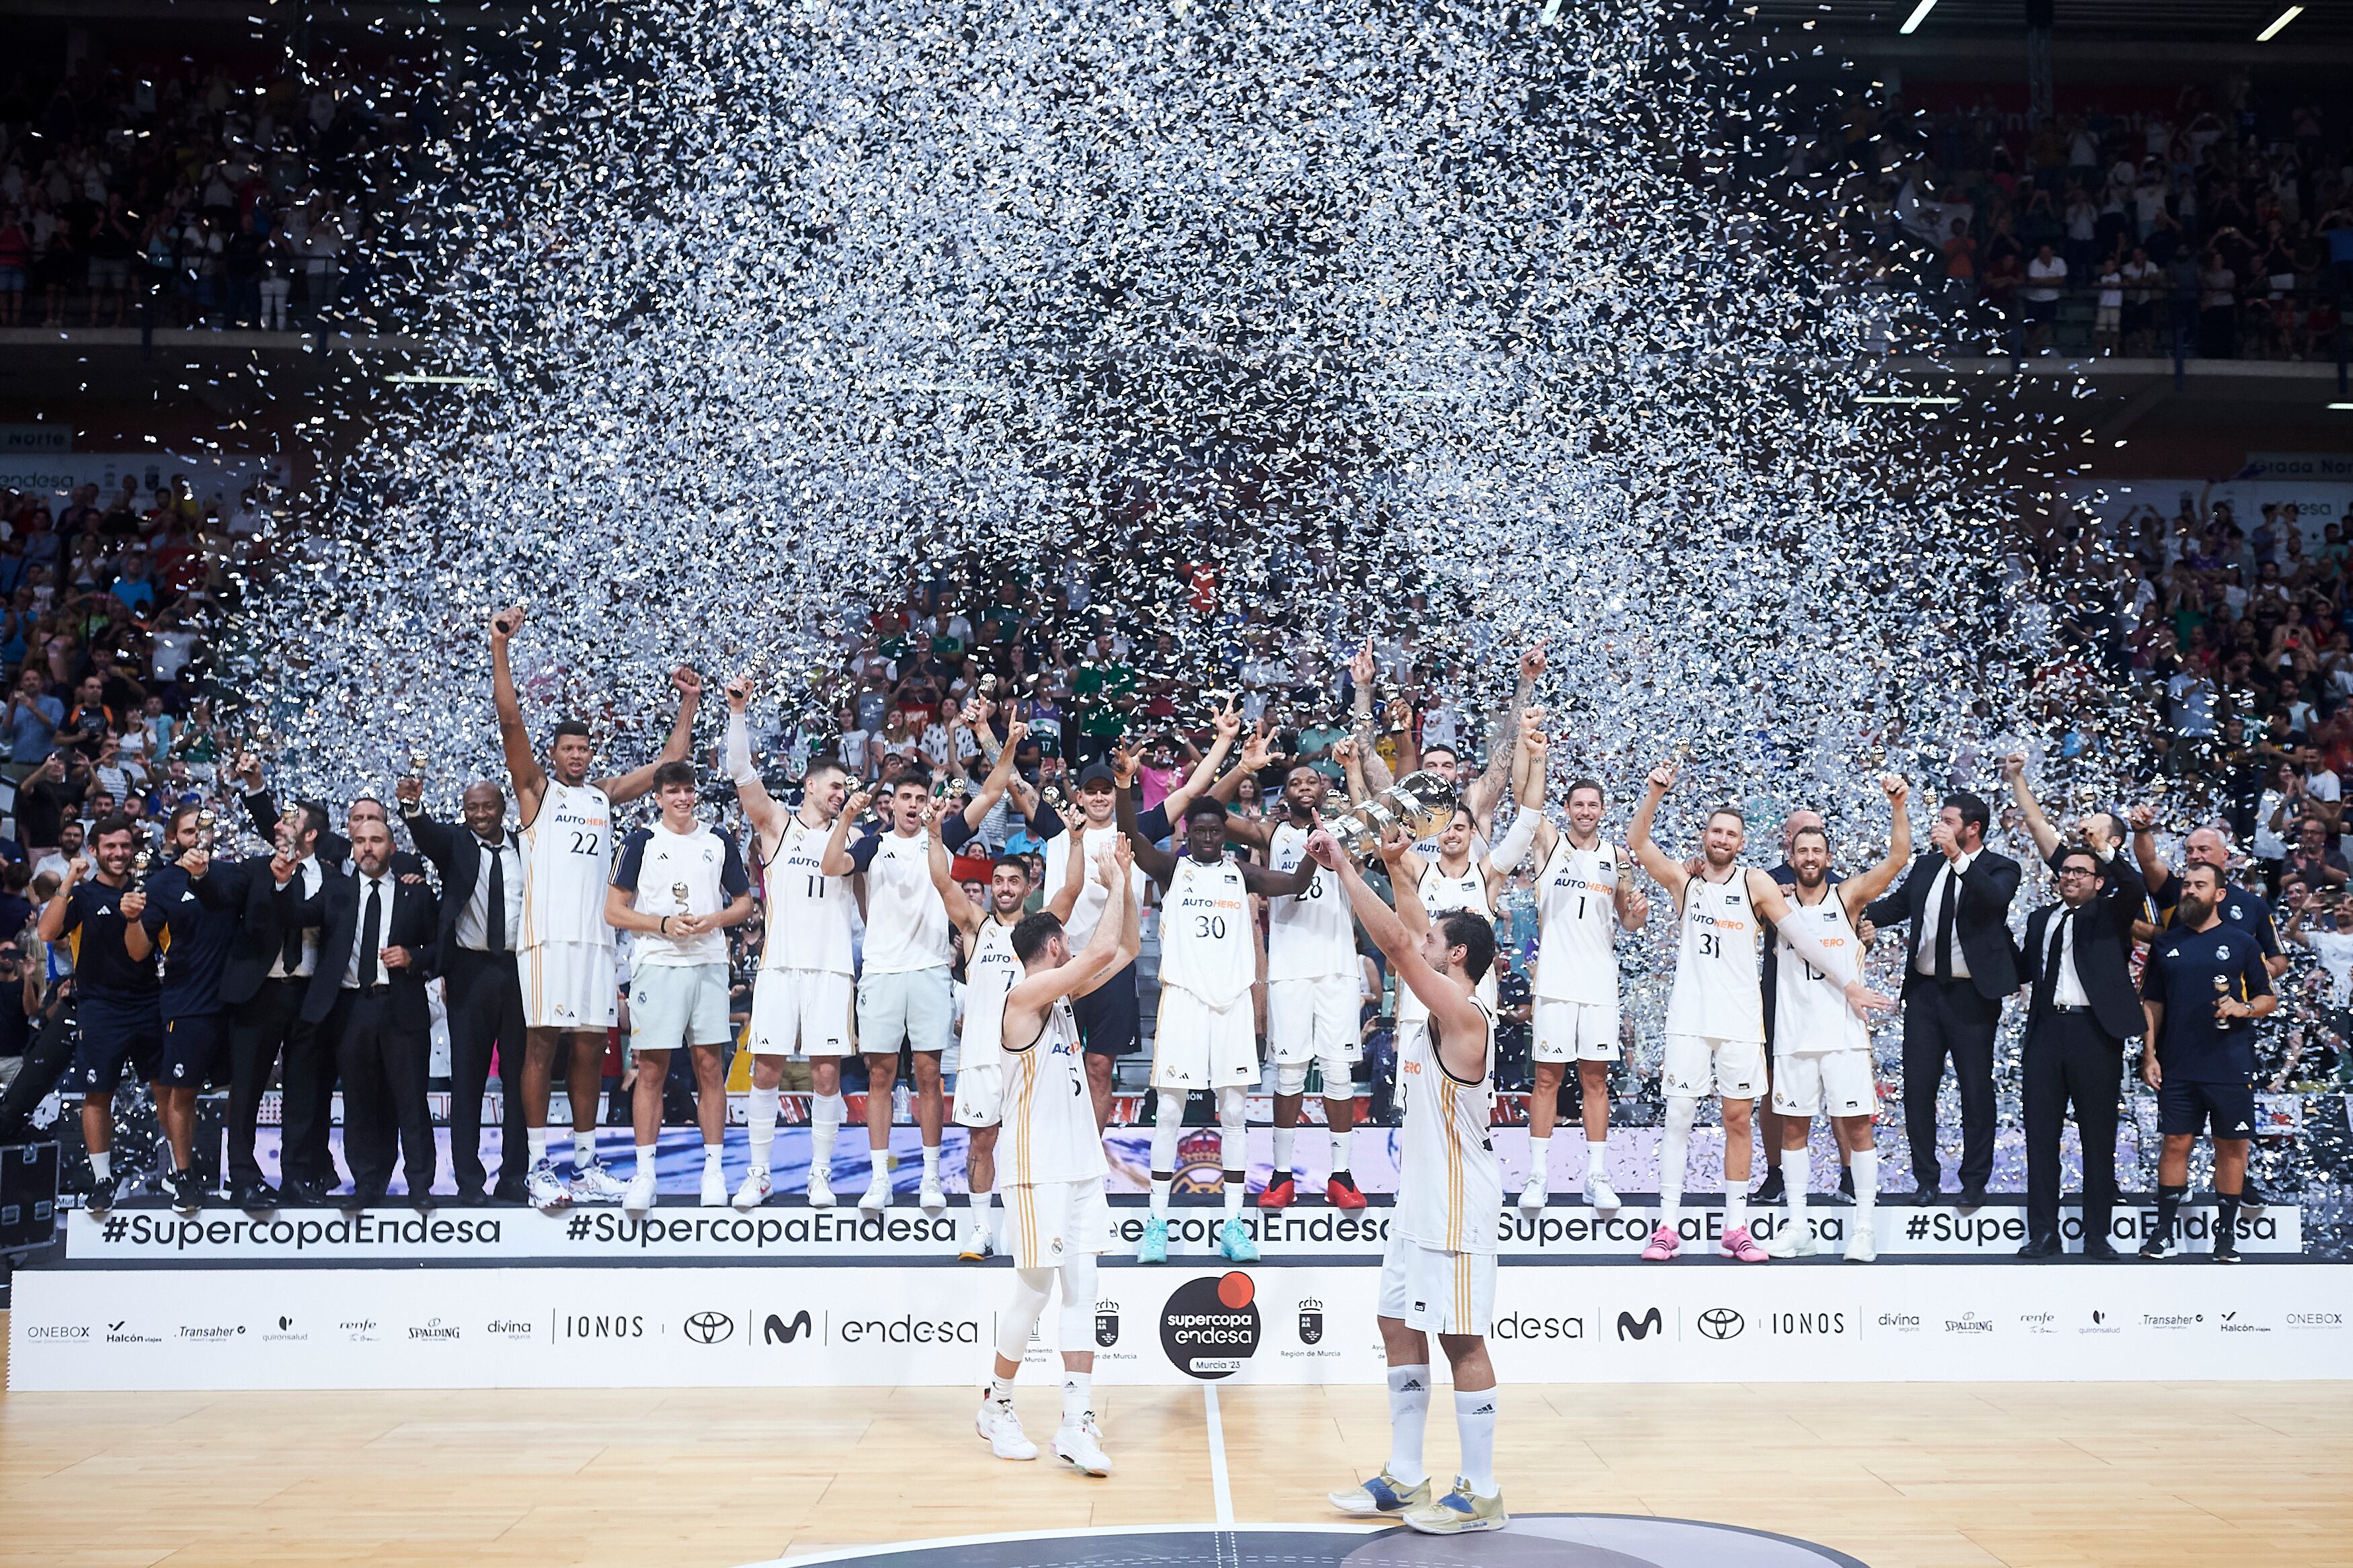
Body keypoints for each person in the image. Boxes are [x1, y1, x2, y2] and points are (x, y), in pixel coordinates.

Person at [1311, 825, 1507, 1536]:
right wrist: (1395, 863)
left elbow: (1398, 942)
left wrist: (1341, 864)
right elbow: (1412, 927)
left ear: (1455, 956)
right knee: (1394, 1321)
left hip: (1457, 1200)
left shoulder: (1461, 1014)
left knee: (1460, 1339)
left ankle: (1481, 1489)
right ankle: (1402, 1474)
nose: (1422, 940)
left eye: (1436, 940)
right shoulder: (1437, 994)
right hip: (1417, 1196)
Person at [1627, 759, 1890, 1262]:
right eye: (1716, 831)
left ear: (1742, 843)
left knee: (1739, 1121)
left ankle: (1736, 1227)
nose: (1722, 839)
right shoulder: (1688, 882)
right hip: (1689, 1019)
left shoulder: (1758, 886)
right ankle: (1666, 1226)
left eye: (1732, 833)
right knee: (1679, 1117)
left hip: (1742, 1024)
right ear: (1705, 836)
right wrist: (1655, 794)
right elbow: (1640, 844)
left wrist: (1851, 983)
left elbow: (1806, 938)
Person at [489, 604, 701, 1210]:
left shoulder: (604, 797)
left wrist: (688, 704)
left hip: (596, 943)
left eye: (584, 748)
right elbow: (510, 722)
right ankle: (537, 1168)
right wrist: (501, 646)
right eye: (568, 748)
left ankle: (583, 1165)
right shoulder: (536, 792)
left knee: (589, 1046)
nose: (577, 756)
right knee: (540, 1047)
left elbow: (667, 767)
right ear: (554, 755)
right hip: (547, 941)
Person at [974, 837, 1139, 1477]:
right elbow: (1101, 948)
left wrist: (1123, 882)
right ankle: (998, 1402)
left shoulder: (1061, 1001)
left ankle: (1076, 1421)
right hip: (1035, 1164)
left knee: (1084, 1288)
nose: (1072, 952)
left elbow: (1121, 950)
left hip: (1079, 1164)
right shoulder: (1022, 999)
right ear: (1051, 949)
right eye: (1064, 945)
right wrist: (1117, 877)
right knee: (1035, 1288)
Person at [1117, 793, 1316, 1264]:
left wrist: (1316, 852)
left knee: (1233, 1113)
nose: (1207, 837)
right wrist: (1125, 785)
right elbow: (1131, 833)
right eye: (1200, 830)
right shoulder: (1172, 869)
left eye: (1215, 830)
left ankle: (1233, 1224)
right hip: (1184, 998)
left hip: (1232, 1004)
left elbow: (1292, 884)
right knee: (1169, 1112)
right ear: (1188, 833)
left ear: (1224, 834)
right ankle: (1157, 1224)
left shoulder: (1240, 873)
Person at [1494, 716, 1648, 1213]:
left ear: (1603, 810)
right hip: (1556, 980)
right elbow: (1523, 796)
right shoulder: (1549, 842)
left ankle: (1596, 1176)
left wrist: (1637, 914)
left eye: (1593, 804)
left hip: (1600, 982)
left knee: (1595, 1079)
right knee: (1546, 1078)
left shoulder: (1617, 854)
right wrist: (1531, 749)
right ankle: (1536, 1175)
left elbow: (1627, 920)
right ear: (1567, 808)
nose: (1585, 810)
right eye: (1578, 803)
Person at [723, 677, 865, 1209]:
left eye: (844, 788)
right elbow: (741, 772)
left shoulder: (853, 835)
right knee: (767, 1069)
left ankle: (820, 1175)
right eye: (833, 787)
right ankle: (759, 1173)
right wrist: (739, 713)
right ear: (811, 785)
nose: (840, 794)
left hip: (831, 969)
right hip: (780, 965)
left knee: (827, 1074)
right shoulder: (777, 824)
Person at [1759, 777, 1911, 1262]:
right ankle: (1798, 1226)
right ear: (1791, 853)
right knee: (1794, 1131)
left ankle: (1864, 1227)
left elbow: (1897, 860)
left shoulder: (1846, 899)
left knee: (1857, 1128)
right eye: (1801, 849)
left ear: (1827, 857)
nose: (1808, 857)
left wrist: (1898, 805)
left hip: (1844, 1034)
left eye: (1816, 850)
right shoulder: (1772, 903)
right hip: (1793, 1036)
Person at [604, 759, 756, 1215]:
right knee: (650, 1069)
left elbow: (745, 903)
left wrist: (714, 919)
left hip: (708, 962)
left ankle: (714, 1170)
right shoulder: (639, 842)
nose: (684, 799)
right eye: (674, 792)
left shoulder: (717, 840)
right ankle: (645, 1174)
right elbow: (614, 911)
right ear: (657, 797)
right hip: (656, 964)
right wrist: (663, 923)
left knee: (710, 1067)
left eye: (689, 791)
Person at [1860, 790, 2022, 1208]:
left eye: (1948, 821)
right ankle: (1926, 1179)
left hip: (1973, 995)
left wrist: (1958, 858)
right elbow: (1898, 906)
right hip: (1926, 993)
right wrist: (1850, 911)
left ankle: (1974, 1181)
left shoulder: (2001, 866)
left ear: (1973, 828)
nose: (1939, 827)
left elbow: (1995, 899)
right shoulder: (1928, 865)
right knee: (1918, 1089)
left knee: (1975, 1089)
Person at [939, 840, 1085, 1259]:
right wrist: (934, 834)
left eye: (1013, 881)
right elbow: (940, 880)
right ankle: (982, 1229)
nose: (1004, 888)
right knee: (981, 1142)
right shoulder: (976, 927)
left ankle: (1027, 1225)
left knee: (1034, 1143)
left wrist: (1075, 840)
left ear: (1027, 886)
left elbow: (1072, 888)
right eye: (998, 881)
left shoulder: (1040, 930)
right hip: (982, 1055)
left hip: (1031, 1058)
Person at [189, 798, 335, 1208]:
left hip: (309, 996)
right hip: (258, 992)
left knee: (303, 1093)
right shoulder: (254, 870)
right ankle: (243, 1178)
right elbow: (218, 896)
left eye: (290, 823)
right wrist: (200, 878)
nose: (278, 828)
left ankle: (297, 1178)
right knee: (247, 1088)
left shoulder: (331, 879)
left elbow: (319, 920)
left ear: (310, 835)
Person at [400, 774, 530, 1203]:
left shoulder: (526, 846)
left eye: (487, 807)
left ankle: (514, 1177)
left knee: (518, 1080)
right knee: (469, 1079)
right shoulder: (454, 844)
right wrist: (413, 809)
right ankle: (469, 1182)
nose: (479, 815)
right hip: (469, 971)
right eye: (471, 808)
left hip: (520, 969)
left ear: (502, 807)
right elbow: (426, 834)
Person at [2016, 841, 2149, 1260]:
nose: (2070, 877)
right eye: (2066, 871)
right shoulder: (2039, 920)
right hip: (2045, 1032)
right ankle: (2043, 1233)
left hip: (2095, 1032)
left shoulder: (2110, 913)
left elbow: (2135, 886)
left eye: (2080, 872)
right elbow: (2024, 969)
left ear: (2098, 880)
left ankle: (2096, 1235)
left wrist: (2107, 851)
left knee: (2097, 1137)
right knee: (2040, 1137)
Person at [2139, 862, 2274, 1263]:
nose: (2190, 891)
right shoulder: (2166, 944)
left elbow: (2269, 999)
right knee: (2175, 1144)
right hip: (2178, 1062)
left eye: (2201, 885)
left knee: (2232, 1148)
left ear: (2219, 894)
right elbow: (2152, 1004)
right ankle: (2162, 1235)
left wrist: (2243, 1007)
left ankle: (2226, 1239)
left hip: (2230, 1064)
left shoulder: (2243, 943)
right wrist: (2149, 1054)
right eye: (2186, 885)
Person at [842, 773, 961, 1214]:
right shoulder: (872, 846)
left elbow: (989, 792)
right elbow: (833, 865)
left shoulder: (941, 838)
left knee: (929, 1075)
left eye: (920, 797)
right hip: (881, 970)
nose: (913, 804)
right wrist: (850, 817)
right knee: (880, 1076)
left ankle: (931, 1176)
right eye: (905, 798)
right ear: (890, 804)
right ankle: (880, 1179)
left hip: (930, 968)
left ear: (929, 803)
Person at [311, 815, 441, 1210]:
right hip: (351, 1008)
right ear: (352, 848)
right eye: (360, 841)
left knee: (411, 1099)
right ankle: (368, 1183)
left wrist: (413, 957)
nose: (368, 847)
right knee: (360, 1100)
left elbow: (440, 949)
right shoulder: (335, 893)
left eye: (377, 840)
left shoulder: (416, 894)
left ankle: (420, 1185)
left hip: (402, 1005)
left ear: (392, 847)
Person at [38, 815, 164, 1213]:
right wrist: (69, 880)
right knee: (98, 1095)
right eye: (110, 846)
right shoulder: (82, 895)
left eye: (125, 846)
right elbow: (46, 933)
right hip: (99, 1007)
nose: (119, 853)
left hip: (149, 1003)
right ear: (94, 851)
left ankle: (178, 1174)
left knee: (168, 1091)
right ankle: (102, 1180)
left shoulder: (148, 891)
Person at [126, 803, 235, 1212]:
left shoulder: (231, 876)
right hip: (186, 1003)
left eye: (203, 829)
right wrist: (133, 920)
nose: (196, 837)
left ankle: (241, 1171)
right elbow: (138, 953)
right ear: (173, 838)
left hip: (236, 1004)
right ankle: (183, 1174)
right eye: (188, 831)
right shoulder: (159, 885)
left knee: (242, 1091)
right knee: (181, 1091)